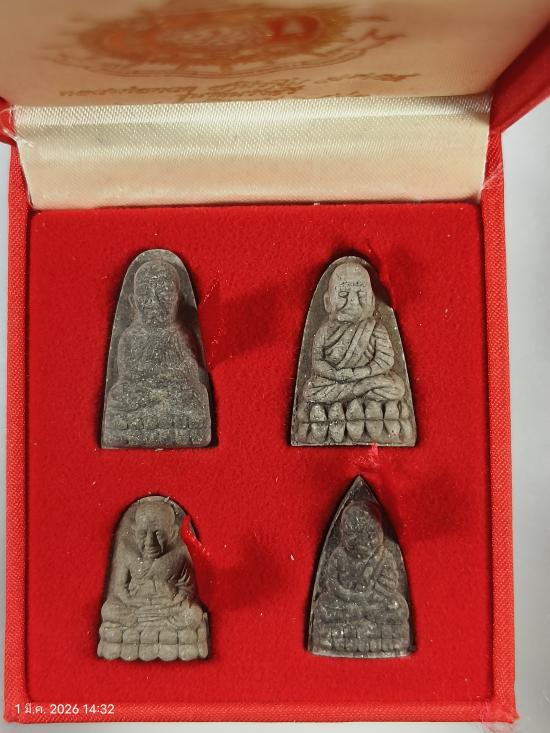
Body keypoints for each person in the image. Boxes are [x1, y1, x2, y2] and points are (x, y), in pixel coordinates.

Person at [103, 258, 210, 447]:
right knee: (118, 397)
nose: (154, 302)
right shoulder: (130, 337)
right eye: (145, 293)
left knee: (196, 395)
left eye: (164, 292)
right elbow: (127, 373)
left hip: (176, 393)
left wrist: (170, 380)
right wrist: (152, 383)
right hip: (139, 394)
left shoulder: (180, 335)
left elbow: (191, 369)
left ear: (178, 300)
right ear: (133, 301)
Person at [302, 262, 405, 405]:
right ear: (327, 302)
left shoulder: (375, 328)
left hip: (367, 378)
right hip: (336, 380)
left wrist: (363, 372)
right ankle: (361, 398)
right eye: (343, 294)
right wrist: (335, 374)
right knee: (310, 390)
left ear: (372, 300)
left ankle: (350, 399)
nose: (352, 301)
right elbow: (317, 361)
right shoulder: (325, 330)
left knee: (396, 387)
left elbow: (385, 360)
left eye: (361, 294)